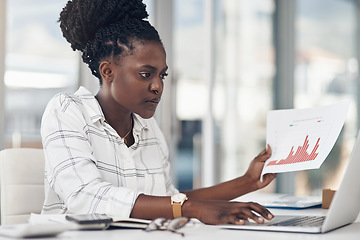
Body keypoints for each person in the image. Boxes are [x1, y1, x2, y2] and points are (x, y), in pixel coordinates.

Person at [40, 0, 276, 225]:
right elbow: (86, 198)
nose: (158, 86)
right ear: (107, 71)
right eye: (146, 74)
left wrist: (248, 182)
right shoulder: (67, 111)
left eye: (162, 75)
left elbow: (168, 199)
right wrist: (190, 209)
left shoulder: (146, 126)